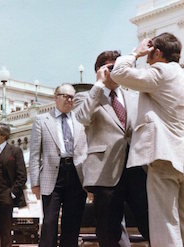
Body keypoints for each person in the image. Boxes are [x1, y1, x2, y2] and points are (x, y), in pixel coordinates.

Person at [111, 32, 184, 247]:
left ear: (158, 52)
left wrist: (136, 52)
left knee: (165, 221)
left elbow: (119, 73)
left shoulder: (160, 72)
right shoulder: (181, 74)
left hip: (165, 157)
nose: (147, 59)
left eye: (150, 53)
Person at [74, 50, 149, 246]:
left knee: (149, 221)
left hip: (136, 168)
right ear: (99, 70)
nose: (115, 72)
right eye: (110, 68)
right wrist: (99, 84)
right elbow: (82, 117)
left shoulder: (133, 97)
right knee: (108, 230)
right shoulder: (86, 97)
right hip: (104, 171)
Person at [29, 83, 87, 247]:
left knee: (72, 223)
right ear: (56, 97)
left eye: (72, 97)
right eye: (65, 96)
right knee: (49, 223)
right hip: (52, 176)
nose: (69, 100)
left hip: (76, 174)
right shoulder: (42, 120)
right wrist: (35, 182)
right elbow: (34, 154)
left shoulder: (81, 120)